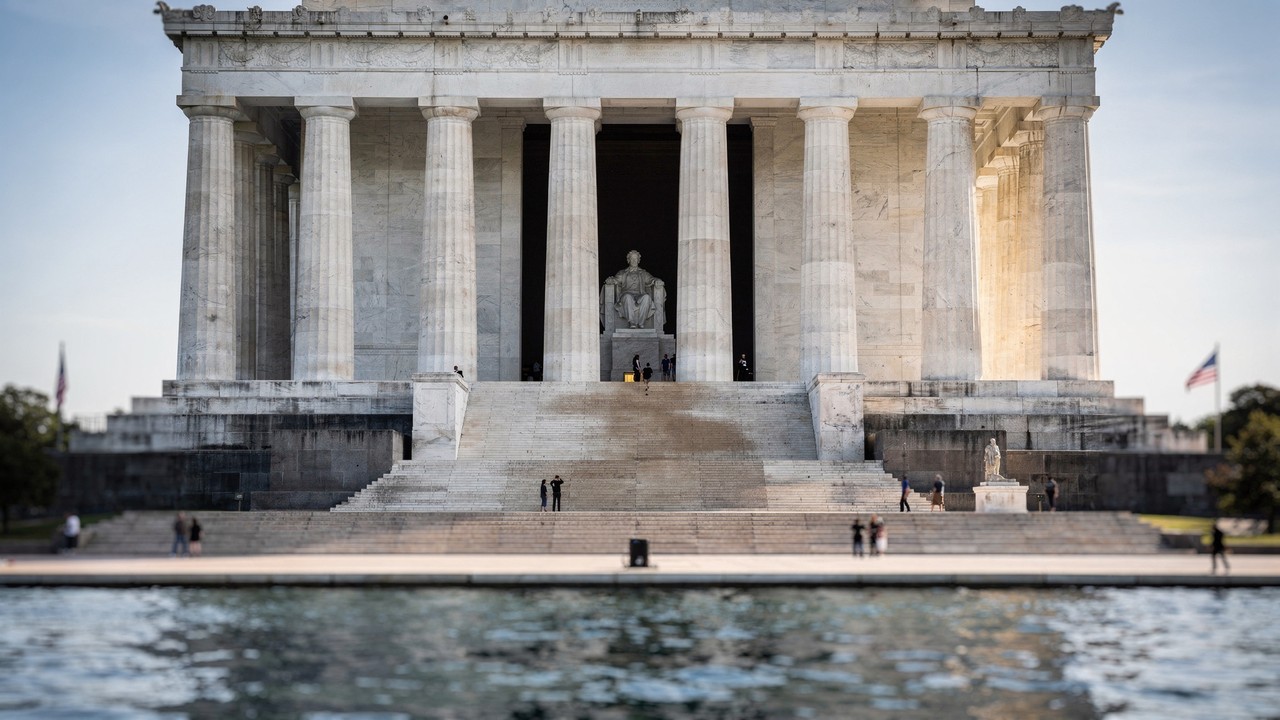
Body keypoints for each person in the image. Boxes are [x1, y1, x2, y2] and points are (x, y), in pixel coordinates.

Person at [602, 249, 665, 330]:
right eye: (632, 259)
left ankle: (641, 322)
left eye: (636, 259)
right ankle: (632, 322)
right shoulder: (622, 273)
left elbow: (651, 279)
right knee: (627, 297)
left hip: (640, 295)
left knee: (646, 298)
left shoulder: (643, 273)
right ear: (629, 260)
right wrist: (611, 280)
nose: (634, 261)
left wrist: (657, 281)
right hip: (627, 294)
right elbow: (616, 280)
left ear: (638, 260)